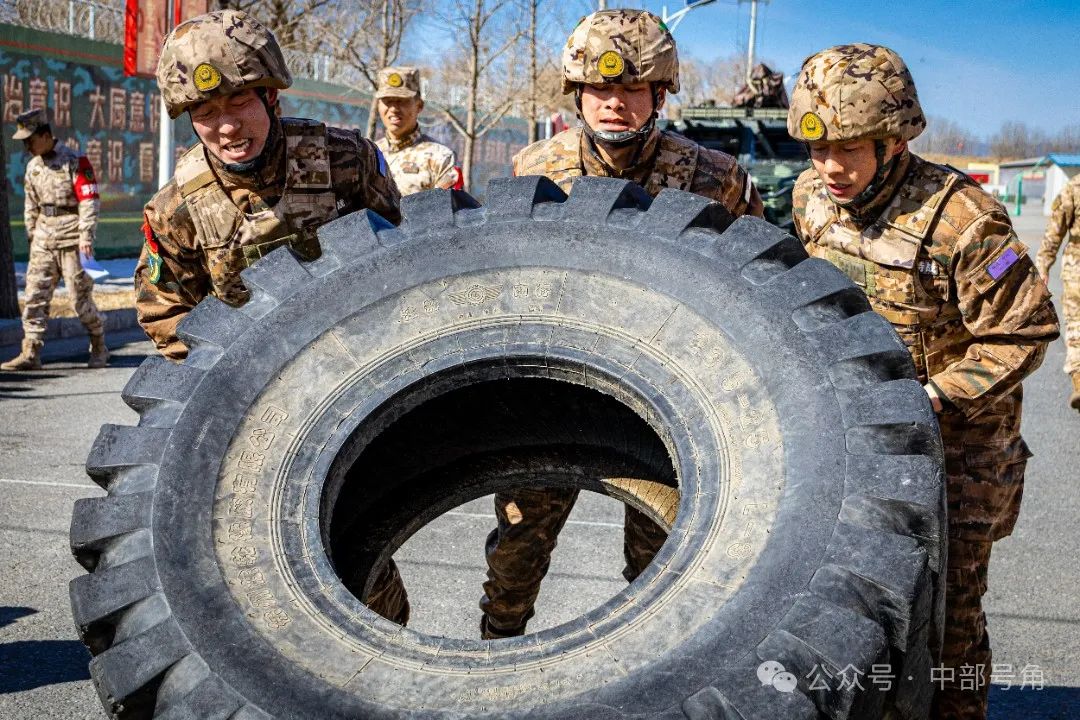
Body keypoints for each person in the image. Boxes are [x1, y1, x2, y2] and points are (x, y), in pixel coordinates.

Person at [787, 43, 1059, 720]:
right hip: (862, 447)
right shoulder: (809, 199)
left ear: (893, 137)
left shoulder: (965, 221)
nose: (830, 167)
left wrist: (933, 396)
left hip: (959, 459)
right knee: (857, 606)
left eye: (848, 148)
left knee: (951, 625)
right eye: (818, 149)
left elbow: (1025, 330)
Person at [480, 8, 763, 641]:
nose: (615, 103)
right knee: (517, 553)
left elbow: (758, 287)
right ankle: (496, 661)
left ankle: (650, 670)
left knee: (662, 559)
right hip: (557, 393)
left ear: (659, 94)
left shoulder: (714, 180)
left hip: (670, 402)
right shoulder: (535, 170)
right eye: (600, 89)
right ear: (577, 92)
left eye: (632, 88)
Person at [134, 10, 406, 622]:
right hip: (255, 411)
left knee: (367, 563)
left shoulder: (346, 160)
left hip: (359, 384)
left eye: (238, 101)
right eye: (205, 113)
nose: (227, 126)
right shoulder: (175, 207)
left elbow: (409, 258)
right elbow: (166, 316)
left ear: (271, 94)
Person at [2, 108, 108, 371]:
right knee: (35, 296)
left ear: (46, 135)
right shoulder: (33, 167)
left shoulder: (74, 160)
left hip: (73, 239)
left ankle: (98, 344)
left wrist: (86, 236)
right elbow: (31, 206)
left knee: (79, 299)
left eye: (30, 140)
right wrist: (32, 236)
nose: (27, 146)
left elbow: (89, 200)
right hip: (43, 240)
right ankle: (31, 352)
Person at [374, 66, 460, 194]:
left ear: (419, 105)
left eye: (401, 101)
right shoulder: (369, 154)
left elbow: (449, 211)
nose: (393, 108)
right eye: (387, 101)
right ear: (378, 105)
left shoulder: (440, 158)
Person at [1035, 172, 1080, 411]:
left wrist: (1043, 265)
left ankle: (1079, 379)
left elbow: (1055, 231)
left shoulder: (1074, 187)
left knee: (1075, 324)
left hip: (1076, 268)